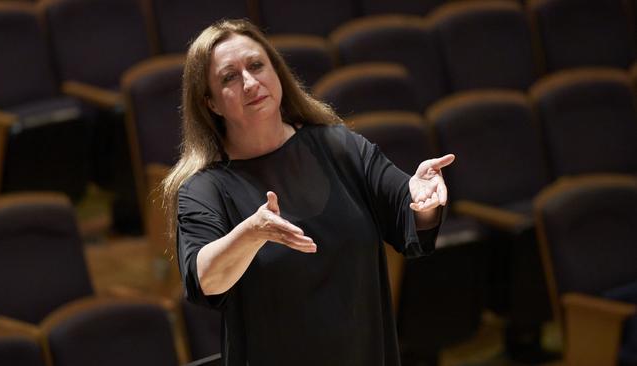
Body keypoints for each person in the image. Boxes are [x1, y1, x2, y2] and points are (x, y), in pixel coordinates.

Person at [162, 19, 455, 366]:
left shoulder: (338, 146)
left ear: (277, 71)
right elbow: (205, 279)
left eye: (257, 66)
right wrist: (250, 233)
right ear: (210, 103)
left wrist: (423, 198)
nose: (250, 83)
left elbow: (404, 211)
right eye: (229, 77)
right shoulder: (205, 188)